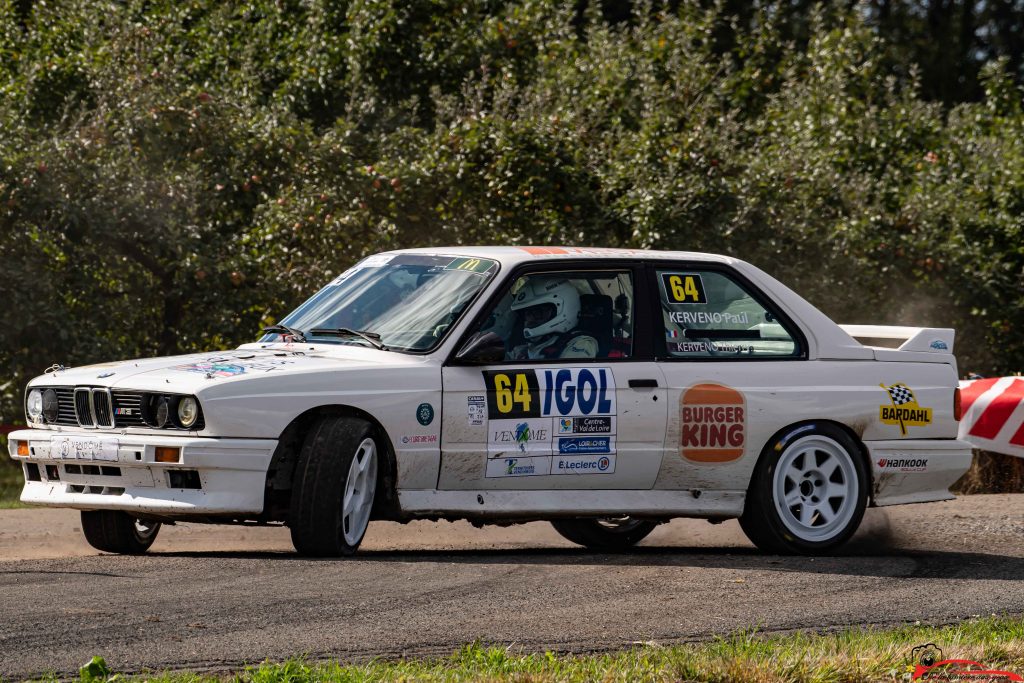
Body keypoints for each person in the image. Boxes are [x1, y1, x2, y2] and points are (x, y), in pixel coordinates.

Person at [506, 278, 598, 359]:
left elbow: (566, 376)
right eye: (527, 313)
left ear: (564, 308)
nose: (530, 319)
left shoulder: (581, 344)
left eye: (537, 312)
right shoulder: (528, 348)